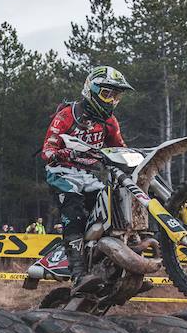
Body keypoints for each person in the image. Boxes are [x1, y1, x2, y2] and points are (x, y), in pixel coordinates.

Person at [42, 66, 133, 284]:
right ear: (90, 89)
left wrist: (133, 159)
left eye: (116, 95)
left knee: (112, 209)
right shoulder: (67, 114)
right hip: (62, 172)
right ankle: (78, 274)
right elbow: (47, 151)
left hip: (88, 175)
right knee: (75, 215)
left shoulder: (109, 122)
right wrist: (64, 152)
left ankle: (117, 267)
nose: (111, 100)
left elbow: (120, 149)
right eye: (106, 94)